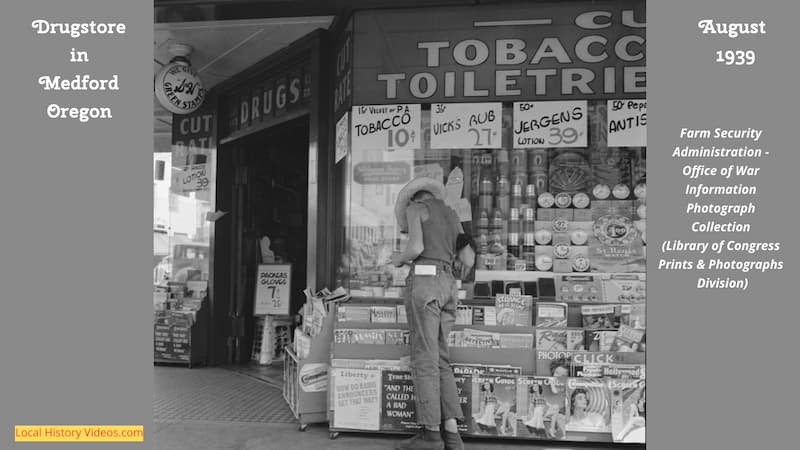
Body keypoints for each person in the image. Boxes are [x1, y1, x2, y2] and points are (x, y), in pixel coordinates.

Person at [391, 177, 473, 450]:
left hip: (425, 284)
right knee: (441, 359)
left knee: (425, 358)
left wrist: (398, 259)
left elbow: (415, 247)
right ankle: (452, 433)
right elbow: (468, 258)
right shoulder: (451, 212)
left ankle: (431, 435)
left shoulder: (416, 208)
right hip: (449, 285)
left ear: (414, 197)